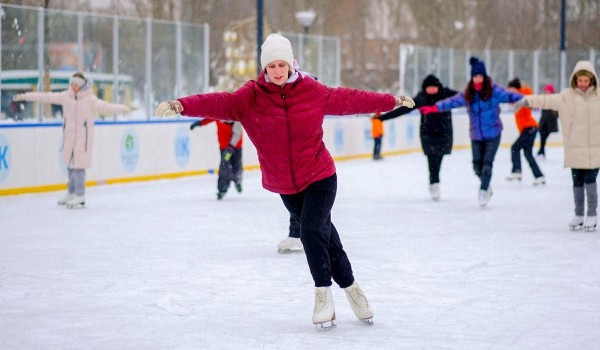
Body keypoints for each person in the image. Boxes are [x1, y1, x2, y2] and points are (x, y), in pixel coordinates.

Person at [155, 33, 415, 328]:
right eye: (271, 66)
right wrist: (180, 105)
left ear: (291, 64)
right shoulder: (249, 97)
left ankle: (323, 296)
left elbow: (351, 99)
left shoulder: (312, 91)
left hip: (320, 175)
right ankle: (353, 289)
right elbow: (217, 102)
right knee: (326, 237)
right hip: (286, 186)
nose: (277, 71)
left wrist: (390, 101)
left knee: (310, 232)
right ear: (264, 68)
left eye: (282, 64)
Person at [12, 72, 131, 208]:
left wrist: (123, 108)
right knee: (70, 166)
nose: (73, 86)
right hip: (69, 138)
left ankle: (80, 195)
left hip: (83, 139)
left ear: (82, 86)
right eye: (72, 84)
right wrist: (25, 96)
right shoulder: (66, 96)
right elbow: (46, 97)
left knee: (78, 168)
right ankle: (71, 192)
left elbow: (106, 107)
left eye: (76, 85)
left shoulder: (89, 99)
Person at [419, 57, 524, 207]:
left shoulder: (494, 91)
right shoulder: (469, 94)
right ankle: (486, 184)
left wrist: (528, 100)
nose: (478, 79)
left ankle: (483, 190)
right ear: (472, 77)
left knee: (487, 163)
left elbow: (510, 96)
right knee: (476, 165)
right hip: (476, 135)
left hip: (493, 134)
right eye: (475, 76)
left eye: (480, 76)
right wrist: (435, 107)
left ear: (485, 76)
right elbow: (452, 101)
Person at [513, 61, 599, 231]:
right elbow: (545, 100)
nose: (583, 84)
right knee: (577, 183)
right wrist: (526, 101)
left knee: (590, 181)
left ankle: (592, 214)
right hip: (575, 148)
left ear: (592, 81)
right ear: (575, 80)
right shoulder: (566, 97)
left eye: (586, 81)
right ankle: (579, 214)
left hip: (595, 149)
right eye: (580, 80)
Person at [378, 74, 458, 201]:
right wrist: (383, 117)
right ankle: (434, 183)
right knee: (432, 160)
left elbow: (466, 98)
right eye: (428, 88)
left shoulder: (446, 94)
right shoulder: (422, 97)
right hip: (428, 135)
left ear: (438, 87)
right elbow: (404, 109)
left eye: (433, 88)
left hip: (444, 135)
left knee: (439, 159)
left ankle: (434, 181)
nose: (431, 90)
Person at [190, 119, 243, 200]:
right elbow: (208, 119)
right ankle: (222, 188)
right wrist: (198, 123)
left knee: (236, 165)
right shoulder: (217, 113)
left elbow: (237, 132)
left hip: (235, 146)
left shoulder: (232, 114)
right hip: (224, 148)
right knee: (224, 167)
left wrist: (231, 147)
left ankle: (237, 180)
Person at [505, 78, 545, 185]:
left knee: (514, 148)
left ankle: (517, 170)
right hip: (527, 129)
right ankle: (539, 176)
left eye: (512, 89)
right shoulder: (514, 100)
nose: (510, 92)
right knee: (528, 154)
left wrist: (520, 89)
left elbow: (528, 93)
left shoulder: (523, 95)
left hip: (529, 127)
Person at [537, 83, 559, 158]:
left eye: (548, 91)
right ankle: (541, 152)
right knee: (542, 137)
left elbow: (557, 113)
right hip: (543, 122)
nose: (547, 93)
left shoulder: (555, 100)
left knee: (544, 137)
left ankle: (541, 151)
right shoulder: (543, 99)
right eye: (546, 91)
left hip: (550, 123)